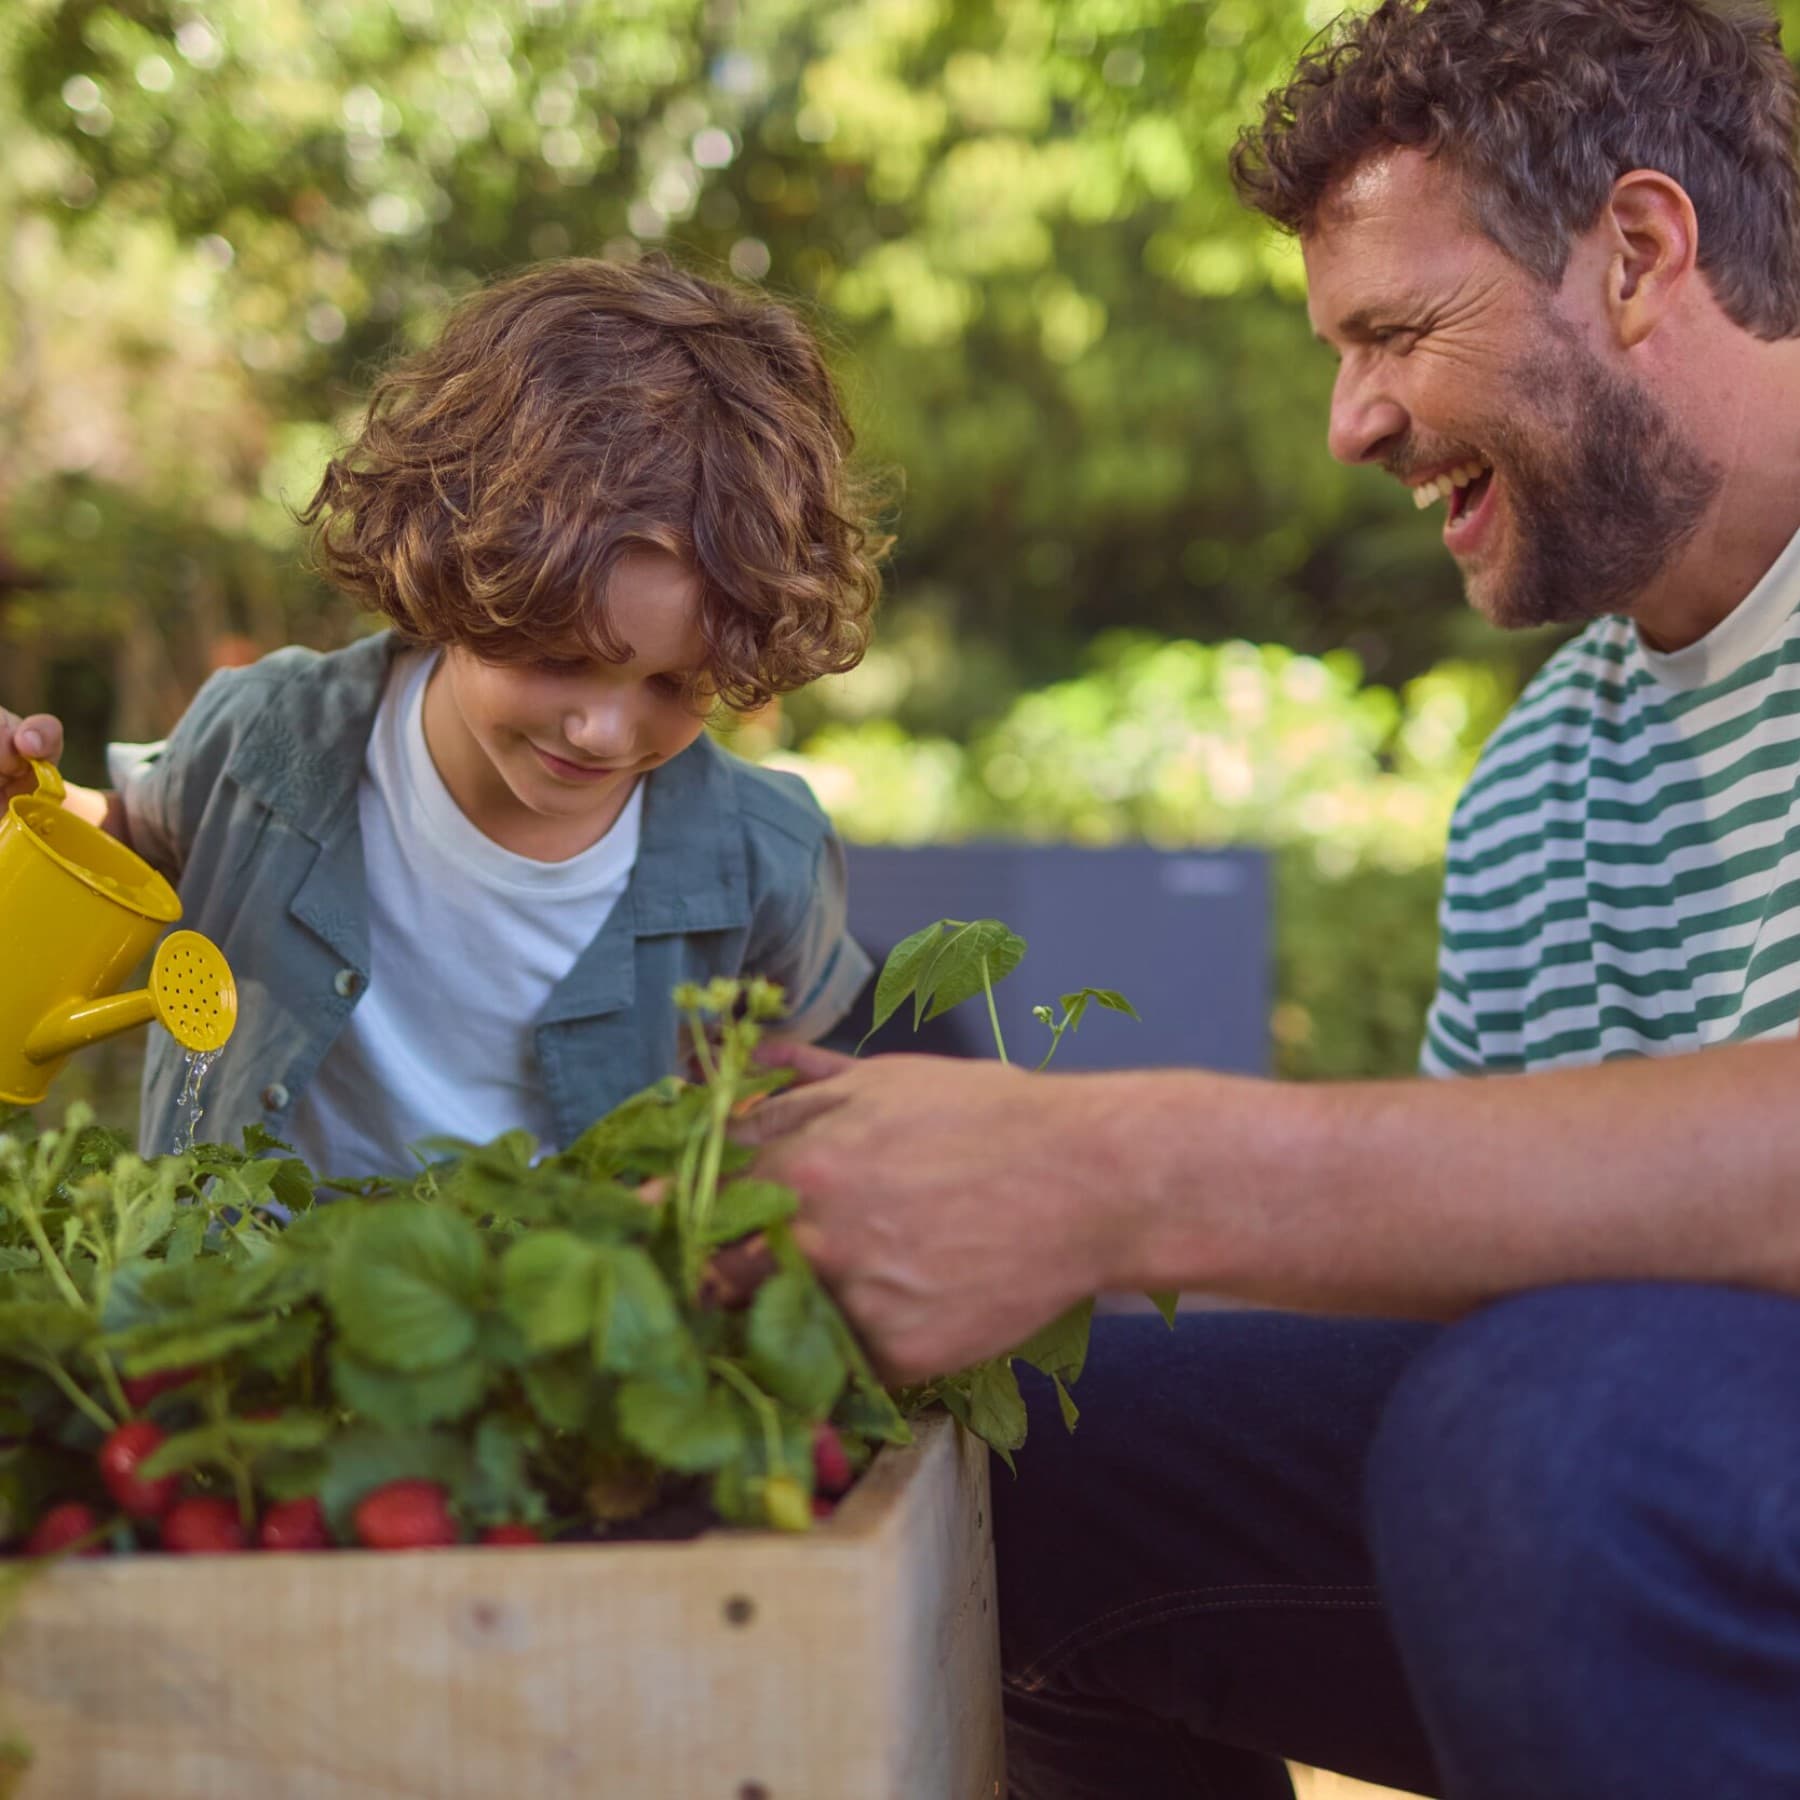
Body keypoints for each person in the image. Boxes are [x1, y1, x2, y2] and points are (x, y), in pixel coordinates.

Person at [737, 2, 1800, 1794]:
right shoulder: (1550, 772)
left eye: (1396, 331)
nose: (1350, 422)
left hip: (1623, 1461)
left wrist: (1127, 1176)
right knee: (1044, 1447)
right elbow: (1471, 1287)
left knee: (1555, 1433)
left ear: (1637, 253)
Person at [0, 255, 885, 1176]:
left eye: (676, 685)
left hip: (564, 1273)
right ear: (460, 578)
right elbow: (138, 842)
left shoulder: (763, 858)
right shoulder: (268, 734)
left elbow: (790, 1091)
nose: (604, 731)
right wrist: (30, 810)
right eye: (560, 659)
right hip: (239, 1263)